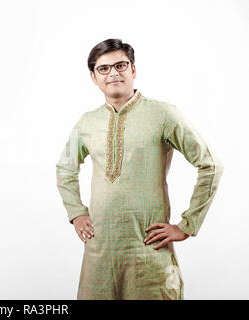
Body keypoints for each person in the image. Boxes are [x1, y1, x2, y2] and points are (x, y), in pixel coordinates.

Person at [55, 38, 224, 300]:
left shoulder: (163, 114)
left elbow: (211, 165)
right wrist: (76, 213)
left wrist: (187, 225)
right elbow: (65, 169)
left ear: (133, 70)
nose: (113, 73)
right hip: (100, 251)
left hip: (148, 250)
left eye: (121, 65)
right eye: (104, 68)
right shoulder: (87, 123)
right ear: (93, 77)